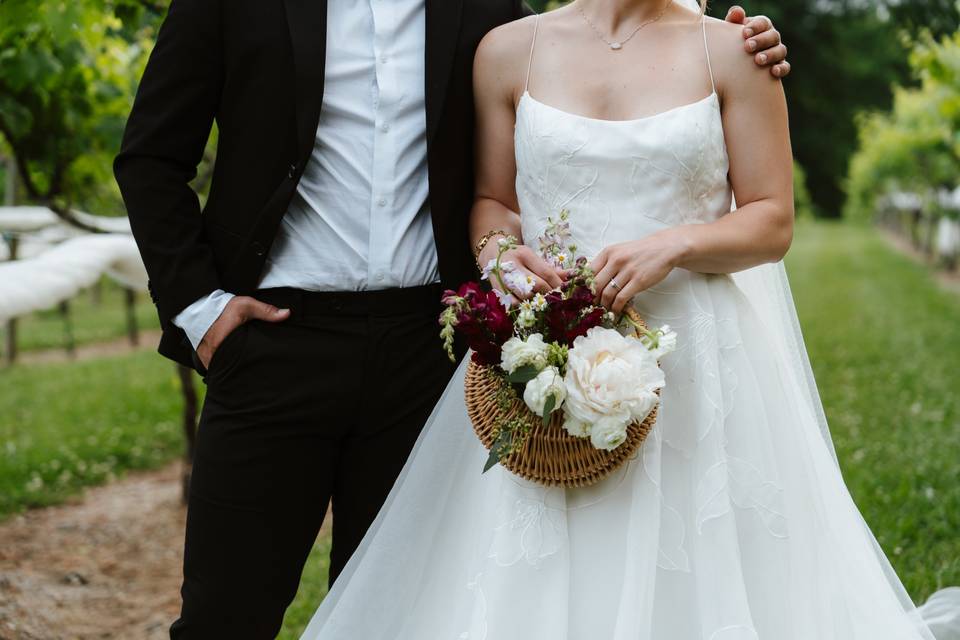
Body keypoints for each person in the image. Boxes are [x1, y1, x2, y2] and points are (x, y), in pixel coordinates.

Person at [113, 0, 792, 637]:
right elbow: (149, 154)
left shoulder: (488, 10)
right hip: (273, 343)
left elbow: (590, 78)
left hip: (427, 356)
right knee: (222, 615)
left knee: (404, 612)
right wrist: (202, 312)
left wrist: (741, 43)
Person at [299, 1, 958, 638]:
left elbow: (771, 219)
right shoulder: (506, 51)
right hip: (547, 352)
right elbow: (492, 201)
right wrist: (504, 261)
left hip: (699, 364)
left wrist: (676, 244)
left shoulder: (732, 50)